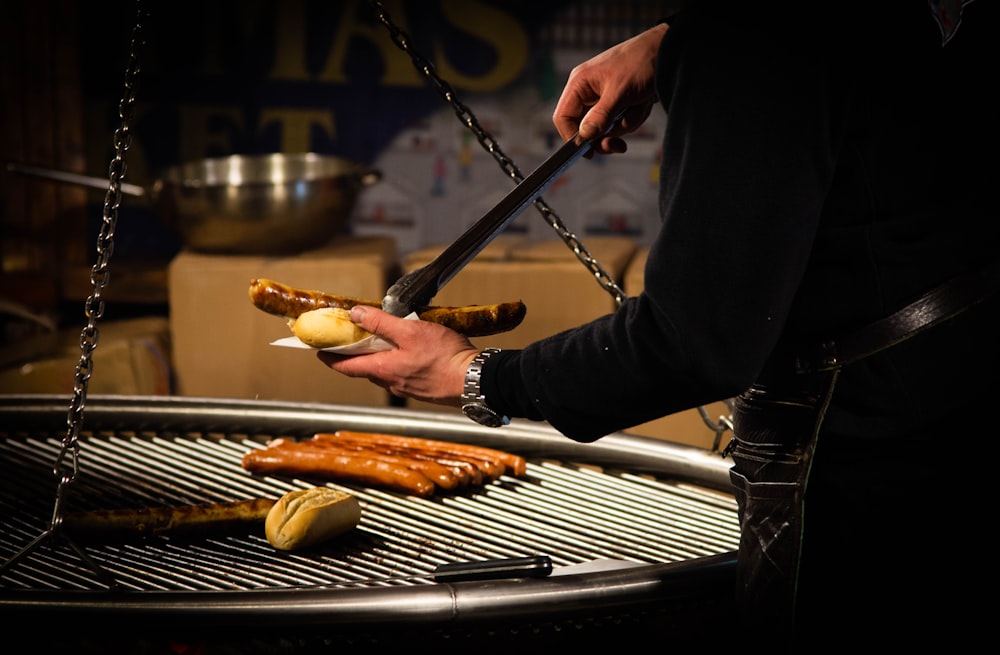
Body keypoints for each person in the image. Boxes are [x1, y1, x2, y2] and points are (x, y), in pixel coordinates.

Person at [320, 0, 997, 649]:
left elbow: (691, 343)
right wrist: (678, 37)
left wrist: (476, 376)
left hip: (873, 483)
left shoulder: (754, 34)